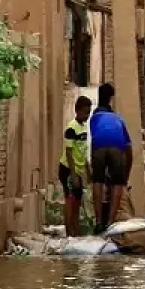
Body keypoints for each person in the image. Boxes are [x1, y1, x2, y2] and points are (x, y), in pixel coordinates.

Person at [88, 83, 132, 231]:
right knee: (117, 183)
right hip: (117, 145)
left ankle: (99, 222)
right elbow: (129, 150)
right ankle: (111, 223)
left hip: (98, 145)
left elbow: (94, 137)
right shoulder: (118, 119)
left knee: (97, 181)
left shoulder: (94, 117)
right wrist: (125, 177)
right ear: (111, 99)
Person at [60, 96, 92, 236]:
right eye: (85, 112)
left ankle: (75, 229)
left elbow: (82, 150)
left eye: (89, 112)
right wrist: (73, 174)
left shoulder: (84, 127)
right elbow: (69, 152)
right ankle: (69, 230)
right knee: (70, 199)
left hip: (78, 170)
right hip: (67, 169)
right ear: (77, 110)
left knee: (77, 201)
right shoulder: (71, 128)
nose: (87, 115)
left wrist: (87, 169)